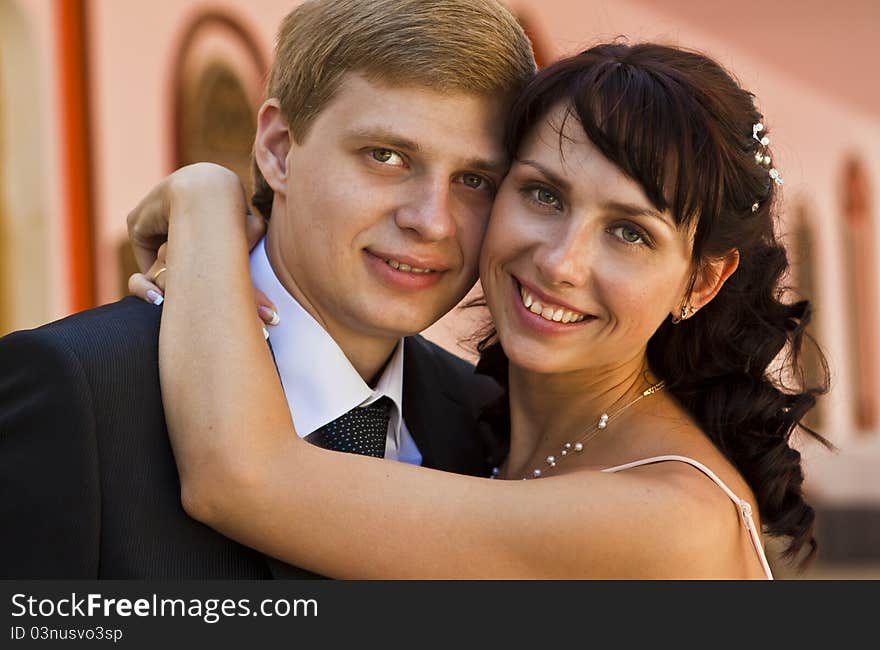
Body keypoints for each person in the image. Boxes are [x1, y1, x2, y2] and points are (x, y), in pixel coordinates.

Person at [128, 43, 830, 579]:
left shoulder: (669, 518)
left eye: (629, 232)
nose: (560, 261)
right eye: (544, 196)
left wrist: (209, 200)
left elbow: (241, 480)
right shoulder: (474, 430)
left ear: (700, 283)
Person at [0, 0, 536, 578]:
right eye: (387, 156)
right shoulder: (78, 387)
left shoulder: (488, 421)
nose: (432, 221)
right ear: (278, 149)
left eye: (475, 180)